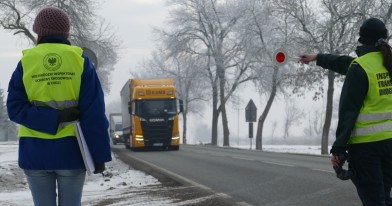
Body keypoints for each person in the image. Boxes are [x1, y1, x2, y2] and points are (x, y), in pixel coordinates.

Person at [6, 6, 112, 206]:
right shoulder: (81, 62)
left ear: (38, 32)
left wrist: (53, 118)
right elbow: (94, 114)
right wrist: (99, 156)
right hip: (71, 152)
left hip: (34, 153)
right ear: (67, 31)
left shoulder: (26, 63)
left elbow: (15, 109)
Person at [299, 17, 392, 206]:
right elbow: (345, 63)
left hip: (366, 149)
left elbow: (348, 112)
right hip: (389, 145)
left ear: (362, 39)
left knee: (375, 201)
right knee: (383, 197)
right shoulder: (387, 63)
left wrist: (339, 149)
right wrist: (318, 57)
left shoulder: (360, 68)